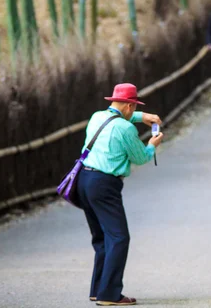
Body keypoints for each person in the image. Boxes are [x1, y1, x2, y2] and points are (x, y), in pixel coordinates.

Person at [76, 83, 164, 306]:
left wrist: (143, 116)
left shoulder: (97, 116)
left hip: (84, 180)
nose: (133, 112)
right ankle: (110, 295)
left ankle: (98, 289)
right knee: (119, 237)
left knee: (102, 238)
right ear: (128, 105)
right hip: (104, 185)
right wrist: (152, 145)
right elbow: (140, 157)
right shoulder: (125, 129)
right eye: (134, 108)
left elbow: (116, 117)